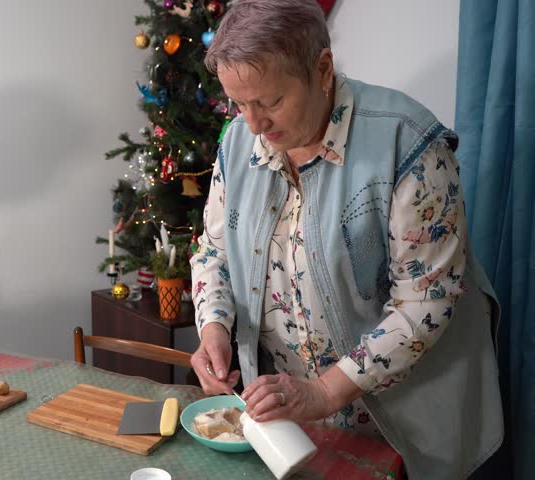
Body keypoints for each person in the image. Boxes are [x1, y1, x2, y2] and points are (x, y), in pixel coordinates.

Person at [189, 1, 502, 478]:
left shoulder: (408, 142)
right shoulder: (238, 142)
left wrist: (323, 392)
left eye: (271, 102)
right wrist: (213, 327)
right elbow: (214, 251)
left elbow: (426, 302)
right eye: (239, 103)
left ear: (323, 68)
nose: (254, 124)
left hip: (399, 422)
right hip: (289, 422)